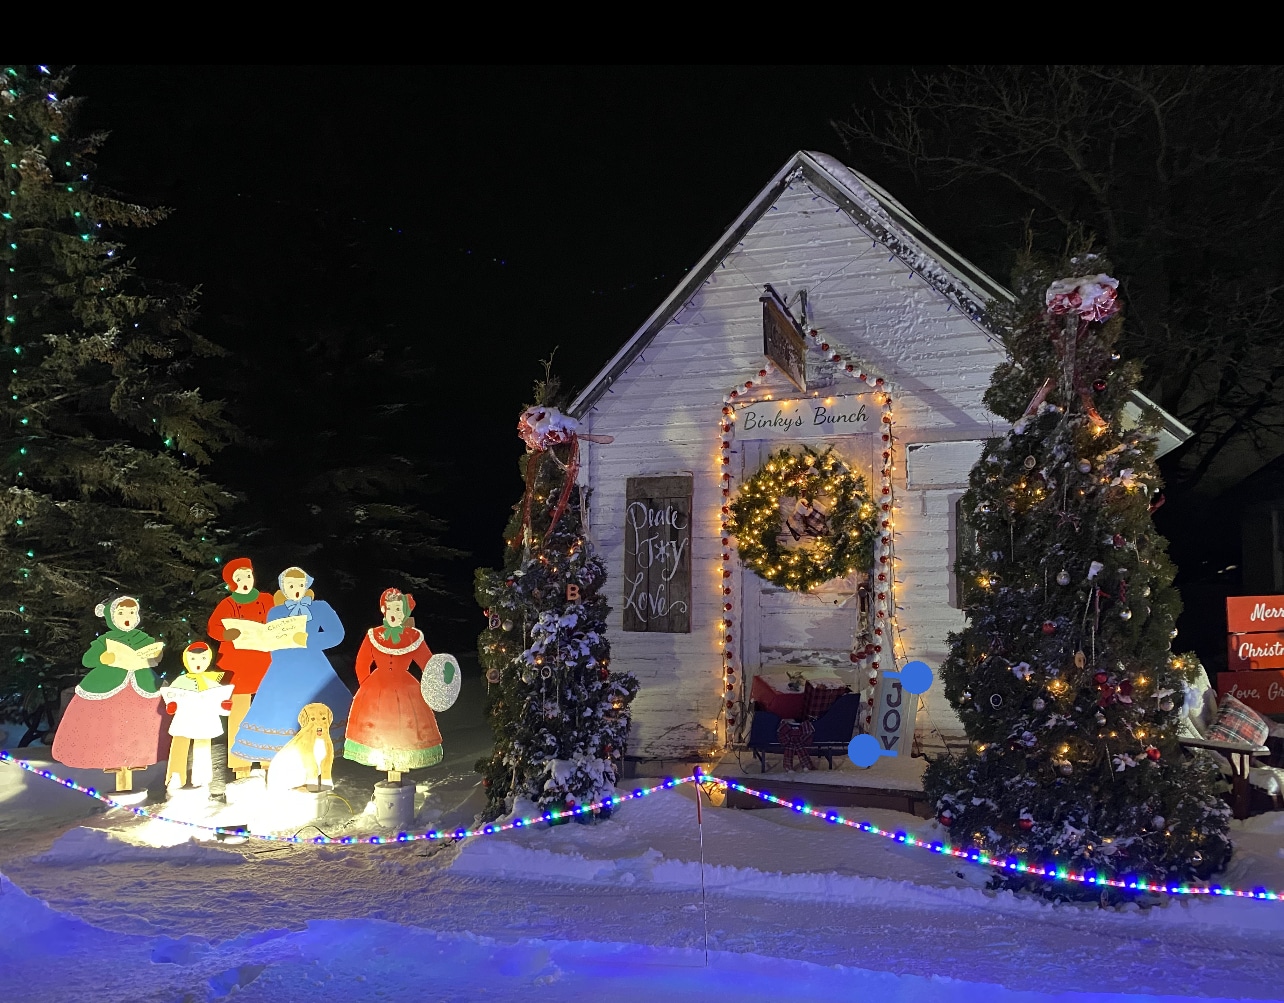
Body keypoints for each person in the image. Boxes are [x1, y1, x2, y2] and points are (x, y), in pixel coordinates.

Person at [229, 567, 350, 772]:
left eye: (300, 585)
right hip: (283, 668)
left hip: (313, 667)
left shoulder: (319, 608)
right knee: (279, 711)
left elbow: (337, 634)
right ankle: (278, 763)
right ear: (283, 588)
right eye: (290, 585)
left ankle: (318, 765)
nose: (295, 589)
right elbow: (270, 638)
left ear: (307, 586)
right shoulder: (276, 612)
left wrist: (309, 639)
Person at [51, 596, 169, 793]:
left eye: (132, 613)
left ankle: (141, 756)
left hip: (143, 683)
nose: (127, 617)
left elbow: (156, 653)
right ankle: (111, 760)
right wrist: (105, 657)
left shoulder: (143, 637)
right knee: (109, 724)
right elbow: (89, 659)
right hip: (109, 684)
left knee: (140, 722)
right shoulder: (105, 639)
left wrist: (155, 654)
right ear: (111, 617)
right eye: (121, 613)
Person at [344, 588, 442, 779]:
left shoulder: (413, 637)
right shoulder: (374, 634)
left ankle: (398, 771)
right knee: (378, 734)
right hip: (376, 690)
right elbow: (362, 663)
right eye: (391, 609)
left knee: (404, 728)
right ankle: (387, 768)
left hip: (406, 690)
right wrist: (367, 688)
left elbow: (428, 665)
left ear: (404, 613)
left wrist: (442, 673)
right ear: (384, 610)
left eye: (399, 609)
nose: (395, 614)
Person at [206, 557, 274, 779]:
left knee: (267, 710)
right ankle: (240, 764)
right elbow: (213, 627)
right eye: (239, 578)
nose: (244, 581)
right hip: (238, 665)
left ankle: (269, 759)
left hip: (265, 662)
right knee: (239, 713)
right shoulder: (227, 604)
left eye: (247, 575)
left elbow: (279, 620)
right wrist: (227, 634)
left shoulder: (266, 599)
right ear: (232, 583)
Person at [159, 641, 234, 790]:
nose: (198, 663)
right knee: (180, 743)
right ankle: (175, 776)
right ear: (186, 660)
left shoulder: (212, 682)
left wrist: (224, 706)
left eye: (202, 658)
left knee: (203, 746)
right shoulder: (181, 681)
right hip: (184, 719)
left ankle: (202, 777)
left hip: (204, 720)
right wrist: (172, 704)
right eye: (193, 659)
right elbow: (171, 696)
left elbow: (219, 699)